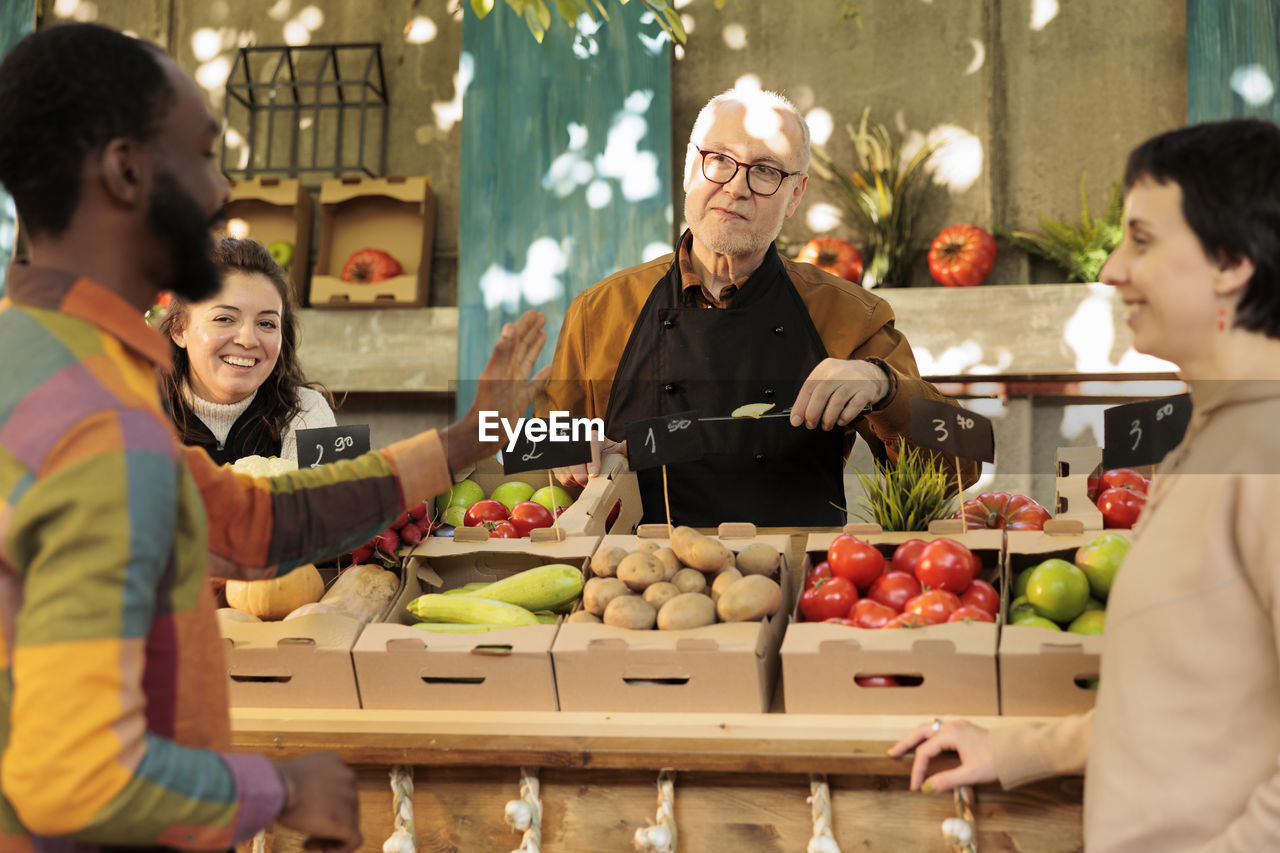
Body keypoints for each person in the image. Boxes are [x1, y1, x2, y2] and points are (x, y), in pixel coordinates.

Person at [0, 23, 547, 853]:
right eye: (202, 153)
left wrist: (472, 438)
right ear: (124, 170)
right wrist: (281, 785)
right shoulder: (94, 418)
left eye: (266, 321)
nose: (222, 187)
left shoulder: (40, 355)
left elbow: (254, 523)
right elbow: (82, 777)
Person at [891, 118, 1280, 851]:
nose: (1110, 271)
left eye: (1142, 239)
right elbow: (1185, 697)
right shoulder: (1219, 432)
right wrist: (1026, 748)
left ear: (1230, 262)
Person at [539, 85, 978, 526]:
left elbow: (962, 466)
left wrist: (884, 387)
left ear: (795, 195)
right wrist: (566, 449)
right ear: (691, 167)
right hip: (629, 580)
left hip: (792, 581)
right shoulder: (599, 310)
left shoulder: (851, 316)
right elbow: (532, 452)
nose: (736, 188)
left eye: (765, 171)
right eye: (720, 161)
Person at [160, 236, 336, 464]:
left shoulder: (308, 411)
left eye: (266, 323)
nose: (248, 340)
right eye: (224, 318)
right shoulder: (137, 414)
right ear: (179, 330)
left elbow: (332, 498)